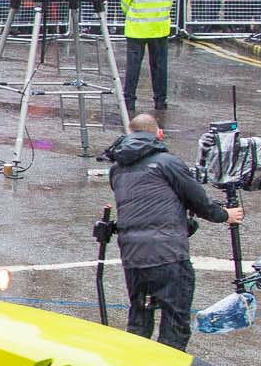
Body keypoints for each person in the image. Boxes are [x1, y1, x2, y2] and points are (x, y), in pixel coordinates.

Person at [102, 113, 244, 351]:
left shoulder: (117, 170)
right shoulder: (168, 163)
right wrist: (225, 215)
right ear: (159, 134)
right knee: (175, 321)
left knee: (140, 318)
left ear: (131, 134)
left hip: (133, 256)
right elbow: (199, 202)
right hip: (168, 255)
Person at [119, 0, 175, 110]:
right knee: (160, 68)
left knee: (133, 68)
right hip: (159, 30)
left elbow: (124, 3)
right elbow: (170, 0)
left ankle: (129, 101)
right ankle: (160, 101)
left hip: (137, 30)